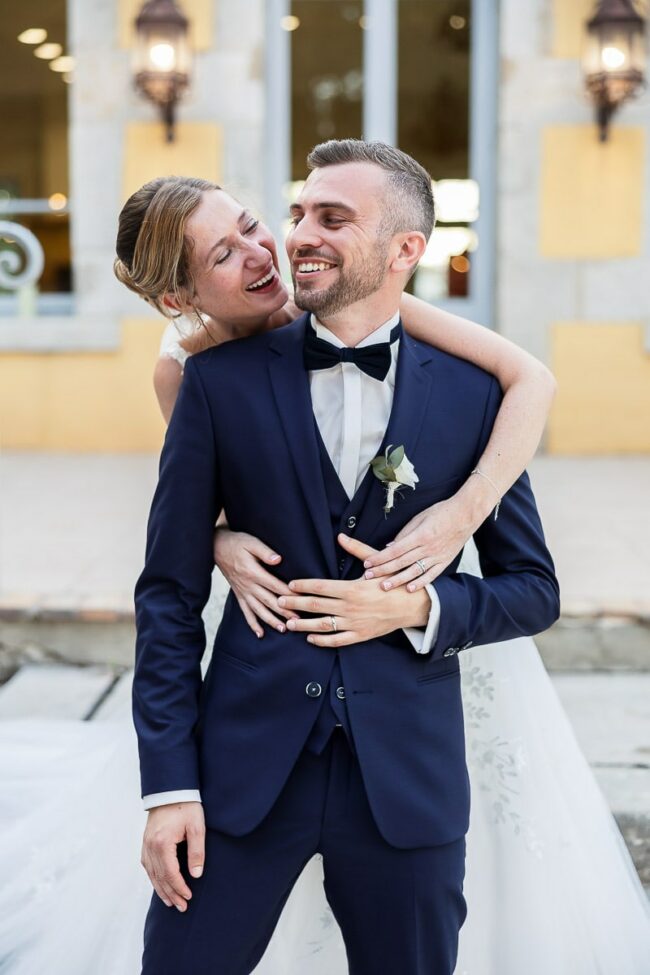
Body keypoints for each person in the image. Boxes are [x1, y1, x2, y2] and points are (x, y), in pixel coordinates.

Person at [131, 138, 562, 974]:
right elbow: (167, 597)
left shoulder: (477, 396)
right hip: (239, 777)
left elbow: (534, 589)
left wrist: (422, 606)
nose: (293, 237)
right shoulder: (211, 380)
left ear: (406, 249)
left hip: (407, 782)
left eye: (331, 217)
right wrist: (169, 789)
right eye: (295, 212)